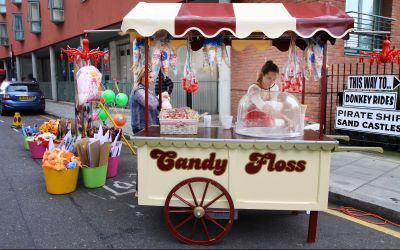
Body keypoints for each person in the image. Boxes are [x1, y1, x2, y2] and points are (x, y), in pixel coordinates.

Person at [244, 60, 292, 128]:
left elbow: (273, 107)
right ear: (262, 75)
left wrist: (281, 119)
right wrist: (283, 117)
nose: (271, 82)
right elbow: (264, 107)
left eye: (274, 79)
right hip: (252, 123)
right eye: (269, 78)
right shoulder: (254, 89)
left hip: (267, 122)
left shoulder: (275, 88)